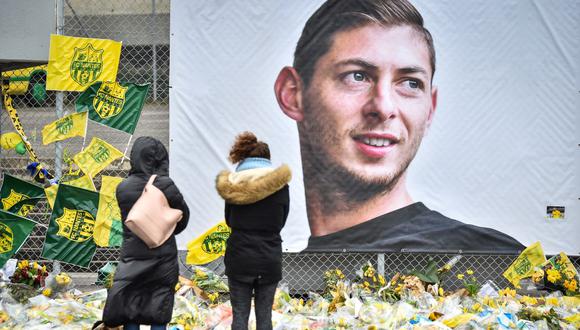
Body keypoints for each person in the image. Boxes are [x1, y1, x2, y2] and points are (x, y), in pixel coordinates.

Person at [274, 0, 524, 252]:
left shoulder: (492, 261)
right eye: (356, 76)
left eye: (411, 83)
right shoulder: (279, 278)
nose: (384, 108)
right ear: (293, 94)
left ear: (430, 109)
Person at [102, 136, 190, 329]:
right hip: (162, 258)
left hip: (132, 257)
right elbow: (183, 219)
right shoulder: (165, 185)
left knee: (130, 307)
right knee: (158, 308)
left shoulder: (123, 188)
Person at [216, 132, 291, 330]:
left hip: (240, 257)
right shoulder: (281, 187)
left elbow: (229, 220)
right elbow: (281, 221)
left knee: (239, 315)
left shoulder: (233, 186)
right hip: (269, 257)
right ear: (267, 160)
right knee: (264, 316)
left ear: (245, 158)